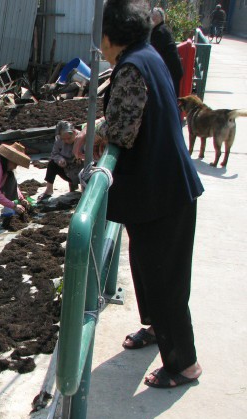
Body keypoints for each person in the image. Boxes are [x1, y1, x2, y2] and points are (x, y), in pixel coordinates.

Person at [84, 0, 205, 388]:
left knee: (165, 278)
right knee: (146, 266)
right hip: (157, 190)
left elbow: (122, 131)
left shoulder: (134, 66)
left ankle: (184, 364)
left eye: (99, 35)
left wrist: (98, 133)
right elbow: (126, 117)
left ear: (110, 35)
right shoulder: (145, 55)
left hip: (164, 192)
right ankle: (154, 328)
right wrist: (100, 129)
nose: (98, 43)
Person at [38, 121, 85, 201]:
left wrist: (82, 158)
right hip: (67, 169)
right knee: (52, 164)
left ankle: (84, 189)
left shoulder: (83, 138)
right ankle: (49, 190)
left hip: (81, 171)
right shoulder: (59, 140)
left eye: (69, 138)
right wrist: (60, 160)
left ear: (74, 133)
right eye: (64, 139)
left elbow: (93, 155)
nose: (66, 141)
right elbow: (54, 154)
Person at [150, 7, 184, 97]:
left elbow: (153, 52)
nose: (150, 19)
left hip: (170, 72)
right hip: (171, 71)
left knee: (170, 98)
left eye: (152, 17)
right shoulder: (162, 29)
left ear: (157, 18)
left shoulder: (160, 32)